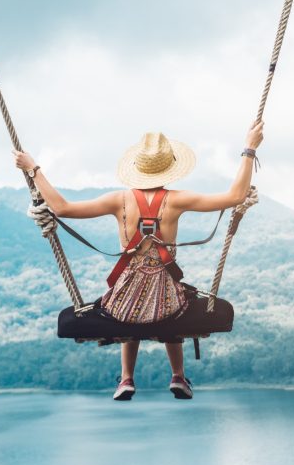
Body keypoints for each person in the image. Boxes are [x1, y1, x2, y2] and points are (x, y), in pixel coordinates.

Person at [13, 121, 264, 401]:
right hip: (166, 302)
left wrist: (33, 169)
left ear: (136, 169)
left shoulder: (118, 200)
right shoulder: (177, 200)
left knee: (127, 316)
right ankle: (178, 376)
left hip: (125, 302)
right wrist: (249, 148)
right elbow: (234, 196)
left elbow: (62, 208)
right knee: (177, 305)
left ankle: (126, 379)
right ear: (169, 167)